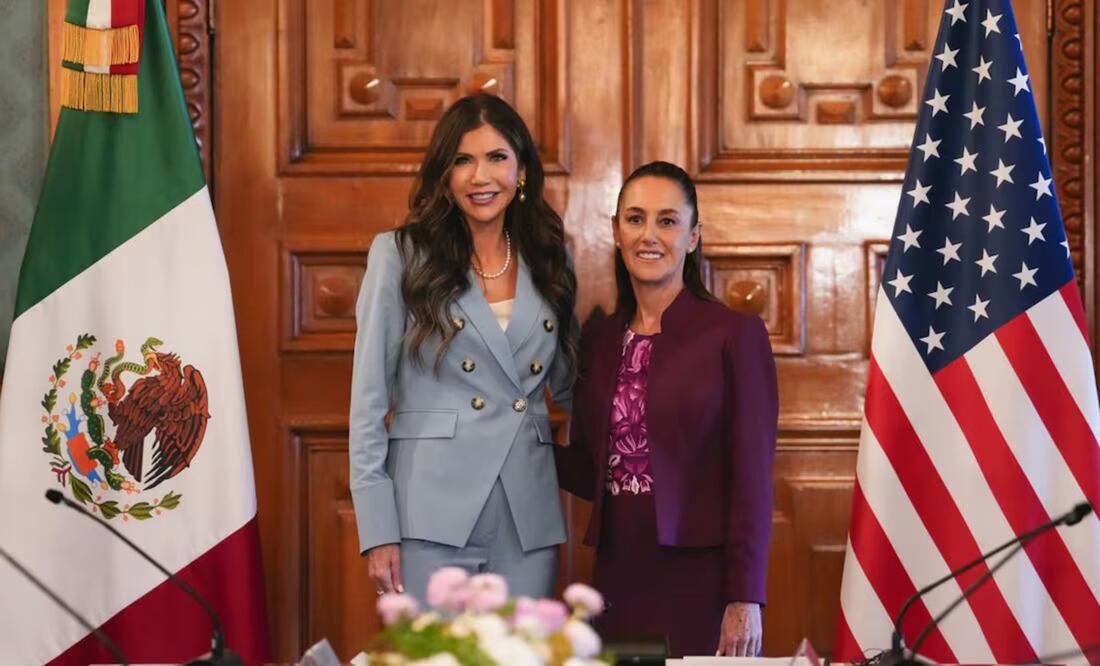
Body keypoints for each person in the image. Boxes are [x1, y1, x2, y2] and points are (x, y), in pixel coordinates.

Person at [349, 93, 578, 604]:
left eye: (497, 158)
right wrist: (378, 526)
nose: (481, 177)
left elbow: (569, 384)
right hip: (430, 510)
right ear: (444, 175)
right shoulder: (401, 254)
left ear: (521, 171)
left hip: (526, 515)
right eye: (463, 160)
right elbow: (368, 400)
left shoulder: (550, 261)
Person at [555, 161, 778, 657]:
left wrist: (745, 598)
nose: (648, 235)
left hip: (702, 580)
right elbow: (593, 464)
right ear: (616, 232)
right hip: (617, 574)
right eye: (635, 219)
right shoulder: (598, 340)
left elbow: (752, 480)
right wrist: (509, 436)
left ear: (693, 237)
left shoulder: (735, 336)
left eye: (667, 221)